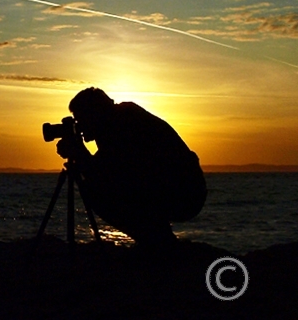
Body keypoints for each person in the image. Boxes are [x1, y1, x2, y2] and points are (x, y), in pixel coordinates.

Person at [56, 87, 206, 246]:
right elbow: (106, 168)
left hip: (184, 194)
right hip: (182, 189)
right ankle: (157, 239)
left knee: (95, 191)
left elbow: (106, 174)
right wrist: (80, 155)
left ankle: (157, 242)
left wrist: (79, 152)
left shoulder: (124, 124)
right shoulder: (120, 119)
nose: (80, 127)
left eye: (81, 119)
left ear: (95, 114)